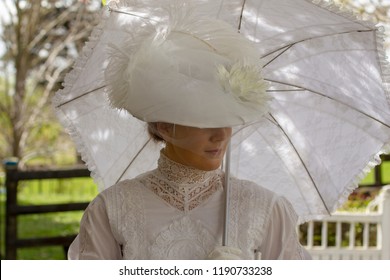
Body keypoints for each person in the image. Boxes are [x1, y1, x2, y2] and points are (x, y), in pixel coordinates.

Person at [66, 3, 311, 260]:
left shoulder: (263, 207)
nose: (222, 135)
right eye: (205, 120)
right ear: (164, 127)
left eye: (227, 118)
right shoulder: (112, 208)